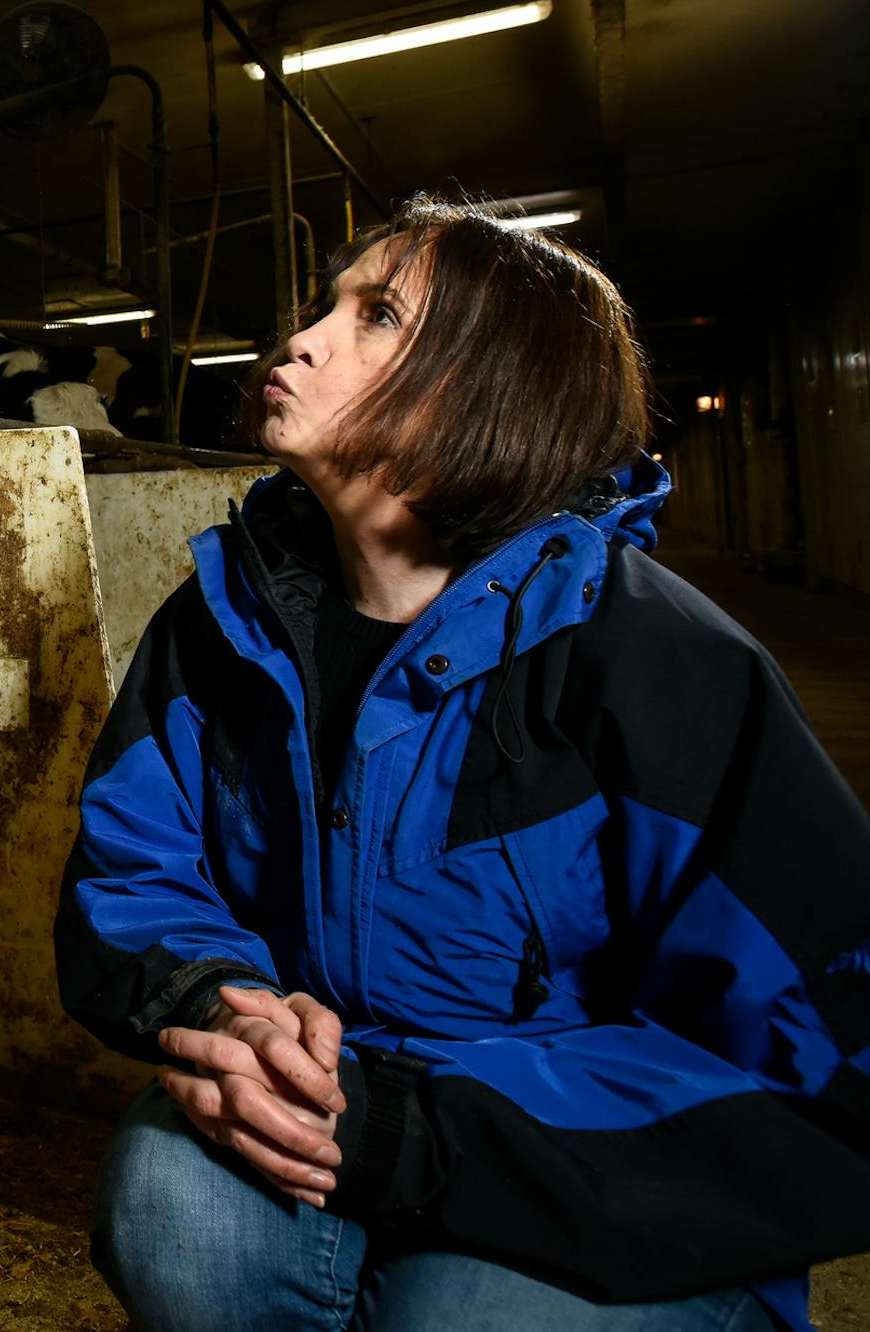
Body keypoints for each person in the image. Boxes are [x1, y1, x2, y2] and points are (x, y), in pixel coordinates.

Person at [55, 196, 870, 1332]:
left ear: (488, 384)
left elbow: (827, 1053)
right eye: (325, 305)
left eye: (377, 315)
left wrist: (421, 1137)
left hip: (596, 1164)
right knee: (170, 1195)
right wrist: (231, 1012)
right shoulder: (224, 618)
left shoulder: (656, 661)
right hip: (346, 1107)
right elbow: (132, 867)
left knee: (456, 1311)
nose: (304, 336)